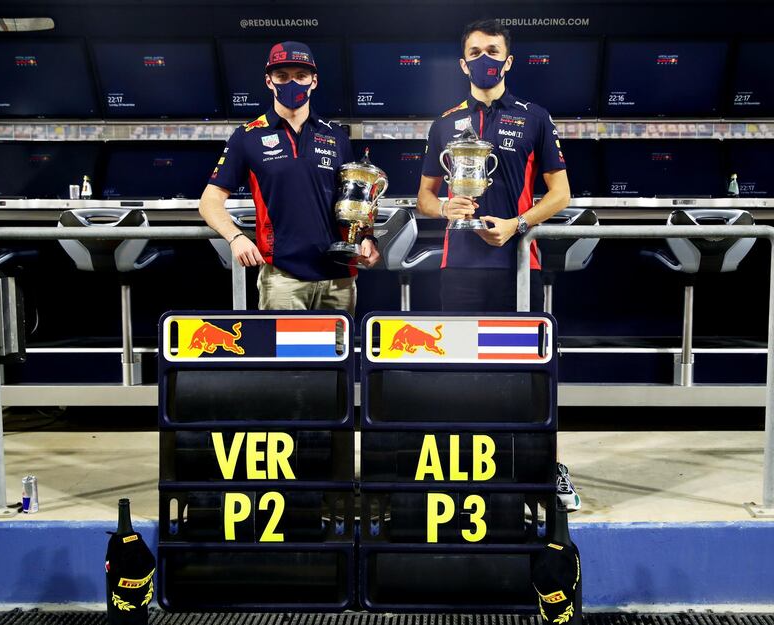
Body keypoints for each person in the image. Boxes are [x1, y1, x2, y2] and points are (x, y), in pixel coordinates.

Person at [417, 19, 580, 511]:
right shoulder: (445, 123)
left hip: (517, 269)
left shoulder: (535, 117)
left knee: (526, 375)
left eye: (493, 50)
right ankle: (467, 470)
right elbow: (424, 196)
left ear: (508, 61)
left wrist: (516, 223)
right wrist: (444, 208)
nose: (484, 58)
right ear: (463, 62)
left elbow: (561, 193)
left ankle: (541, 469)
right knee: (462, 375)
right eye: (474, 51)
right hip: (460, 267)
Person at [199, 41, 379, 315]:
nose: (291, 83)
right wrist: (235, 237)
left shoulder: (336, 136)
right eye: (282, 76)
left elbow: (354, 203)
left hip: (339, 278)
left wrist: (367, 238)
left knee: (337, 358)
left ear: (313, 81)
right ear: (269, 81)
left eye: (300, 76)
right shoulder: (247, 136)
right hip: (283, 279)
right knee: (287, 359)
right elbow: (209, 201)